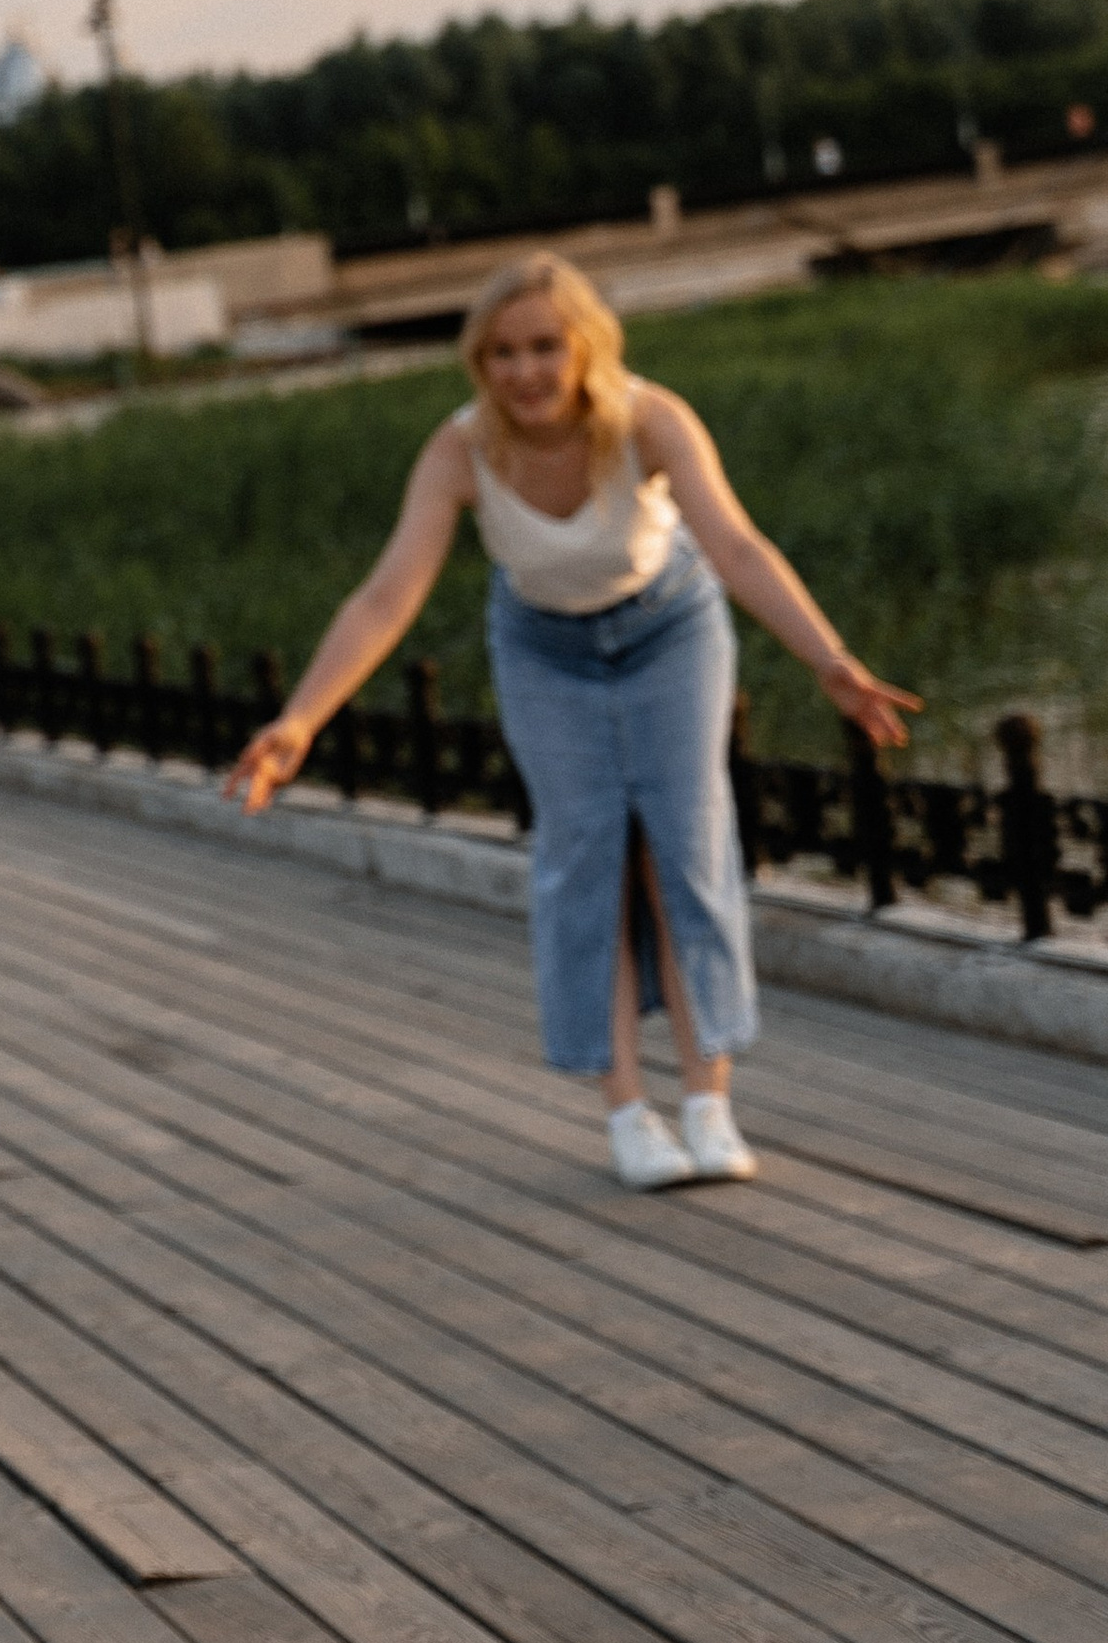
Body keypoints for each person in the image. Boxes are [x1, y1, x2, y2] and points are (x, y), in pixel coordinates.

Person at [223, 252, 918, 1188]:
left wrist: (828, 658)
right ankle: (628, 1113)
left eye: (546, 346)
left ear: (586, 345)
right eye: (504, 352)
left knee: (688, 844)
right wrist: (301, 717)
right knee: (585, 856)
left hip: (670, 625)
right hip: (544, 648)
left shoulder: (651, 419)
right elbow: (387, 595)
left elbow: (738, 547)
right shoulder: (460, 451)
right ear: (480, 362)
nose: (526, 371)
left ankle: (709, 1102)